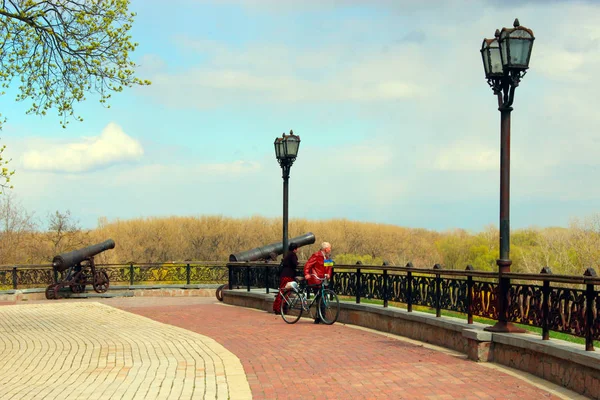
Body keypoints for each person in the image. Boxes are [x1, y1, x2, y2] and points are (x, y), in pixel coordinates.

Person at [304, 241, 333, 324]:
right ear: (326, 249)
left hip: (324, 279)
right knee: (319, 297)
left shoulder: (328, 257)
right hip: (316, 279)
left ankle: (320, 317)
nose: (330, 249)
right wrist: (307, 274)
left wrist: (328, 274)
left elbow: (329, 267)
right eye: (329, 248)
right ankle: (320, 317)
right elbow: (308, 265)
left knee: (322, 297)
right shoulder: (316, 255)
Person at [272, 242, 299, 314]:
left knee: (282, 291)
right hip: (288, 276)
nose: (297, 250)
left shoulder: (287, 254)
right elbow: (295, 264)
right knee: (285, 292)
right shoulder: (292, 255)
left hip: (284, 274)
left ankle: (277, 307)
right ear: (294, 249)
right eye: (297, 249)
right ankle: (279, 308)